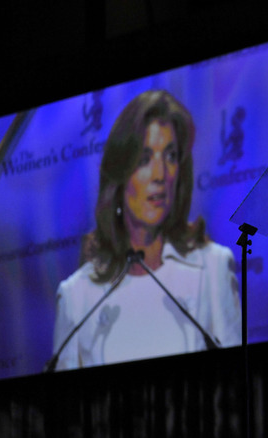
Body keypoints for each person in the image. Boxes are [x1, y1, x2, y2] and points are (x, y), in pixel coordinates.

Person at [52, 90, 242, 370]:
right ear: (118, 176)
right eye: (144, 159)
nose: (160, 175)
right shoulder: (76, 297)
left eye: (171, 156)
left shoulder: (213, 269)